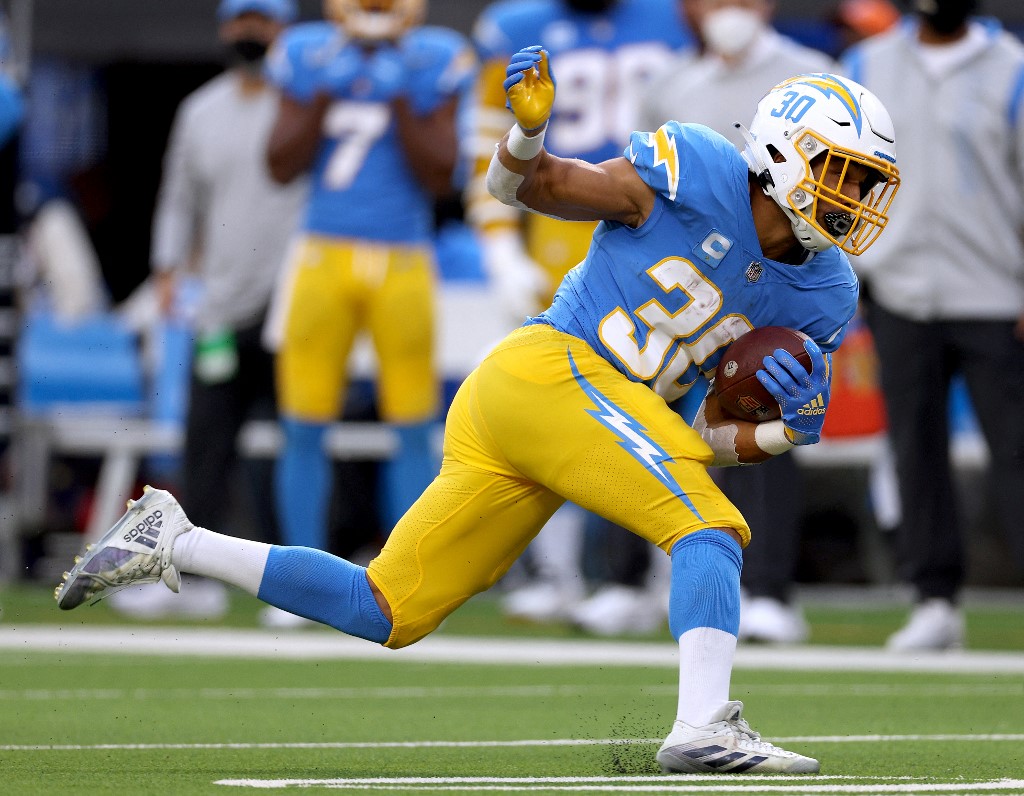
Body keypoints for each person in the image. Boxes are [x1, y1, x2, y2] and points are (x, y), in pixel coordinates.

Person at [55, 55, 901, 773]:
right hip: (546, 371)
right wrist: (524, 134)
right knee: (709, 532)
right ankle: (702, 726)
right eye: (846, 171)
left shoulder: (825, 291)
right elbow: (530, 187)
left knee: (388, 610)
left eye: (867, 183)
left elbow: (700, 439)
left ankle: (172, 537)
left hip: (569, 415)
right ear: (785, 152)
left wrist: (786, 428)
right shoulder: (697, 169)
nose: (856, 196)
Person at [466, 0, 691, 629]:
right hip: (556, 224)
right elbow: (485, 135)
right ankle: (559, 575)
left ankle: (668, 570)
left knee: (667, 401)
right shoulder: (514, 27)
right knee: (552, 408)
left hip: (657, 228)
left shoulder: (673, 20)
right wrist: (499, 245)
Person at [259, 0, 476, 625]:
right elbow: (278, 163)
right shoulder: (308, 52)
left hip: (404, 257)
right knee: (303, 420)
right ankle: (299, 581)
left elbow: (441, 176)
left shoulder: (433, 57)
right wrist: (328, 95)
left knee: (411, 424)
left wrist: (402, 95)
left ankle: (403, 579)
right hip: (322, 253)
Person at [639, 0, 836, 644]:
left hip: (772, 285)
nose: (728, 9)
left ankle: (772, 587)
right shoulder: (671, 82)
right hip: (685, 284)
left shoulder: (815, 74)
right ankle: (628, 580)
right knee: (638, 404)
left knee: (771, 391)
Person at [109, 0, 307, 619]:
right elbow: (177, 197)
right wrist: (168, 268)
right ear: (225, 29)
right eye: (241, 19)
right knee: (207, 444)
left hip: (295, 304)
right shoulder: (200, 111)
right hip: (221, 302)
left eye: (263, 19)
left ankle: (301, 581)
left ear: (286, 29)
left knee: (299, 442)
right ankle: (192, 581)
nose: (250, 31)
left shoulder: (307, 107)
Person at [842, 0, 1024, 651]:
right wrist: (852, 268)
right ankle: (933, 599)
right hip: (900, 288)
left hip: (995, 290)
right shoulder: (866, 63)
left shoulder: (1012, 69)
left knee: (1016, 451)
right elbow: (844, 174)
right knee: (915, 449)